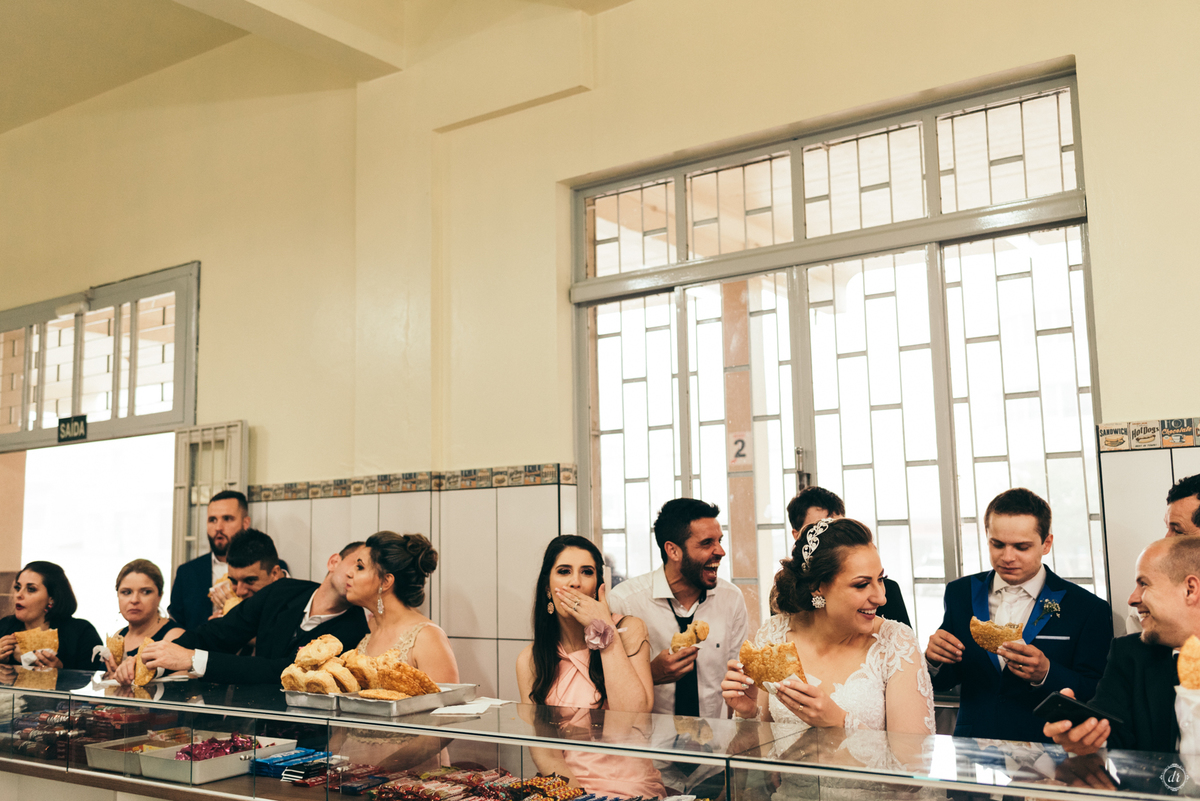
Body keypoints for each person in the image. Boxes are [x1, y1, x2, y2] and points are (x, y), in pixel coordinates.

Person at [925, 488, 1112, 741]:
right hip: (973, 747)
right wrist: (934, 661)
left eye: (1021, 547)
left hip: (1048, 751)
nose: (1007, 557)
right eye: (997, 544)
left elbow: (1097, 691)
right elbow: (946, 679)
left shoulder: (1087, 608)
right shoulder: (959, 593)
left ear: (1046, 544)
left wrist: (1047, 672)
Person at [723, 518, 934, 734]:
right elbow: (761, 755)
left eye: (880, 579)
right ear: (817, 587)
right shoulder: (773, 635)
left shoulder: (896, 644)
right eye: (861, 585)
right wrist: (747, 715)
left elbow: (913, 760)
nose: (881, 599)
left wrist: (841, 722)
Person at [517, 535, 662, 797]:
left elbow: (632, 717)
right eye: (564, 572)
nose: (575, 582)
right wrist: (580, 796)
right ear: (548, 588)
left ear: (598, 586)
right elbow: (545, 752)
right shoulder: (531, 659)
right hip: (567, 786)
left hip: (630, 786)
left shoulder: (629, 630)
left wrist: (603, 630)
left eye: (587, 572)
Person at [1044, 535, 1200, 754]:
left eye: (1143, 584)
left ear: (1190, 589)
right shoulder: (1128, 655)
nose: (1132, 599)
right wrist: (1084, 739)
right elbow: (1112, 734)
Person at [135, 542, 368, 684]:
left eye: (366, 572)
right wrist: (152, 661)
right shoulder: (283, 591)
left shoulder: (356, 628)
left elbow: (283, 670)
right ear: (333, 561)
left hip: (307, 739)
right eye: (357, 564)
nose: (356, 575)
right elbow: (219, 633)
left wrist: (193, 659)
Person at [607, 498, 749, 719]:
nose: (720, 551)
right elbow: (605, 688)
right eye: (707, 543)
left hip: (717, 744)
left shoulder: (731, 599)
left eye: (720, 541)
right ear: (673, 551)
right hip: (648, 746)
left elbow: (739, 677)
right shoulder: (625, 602)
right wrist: (651, 673)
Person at [786, 486, 910, 626]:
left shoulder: (888, 592)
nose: (832, 537)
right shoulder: (786, 594)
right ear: (797, 536)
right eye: (820, 529)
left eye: (838, 527)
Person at [345, 532, 458, 683]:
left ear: (385, 581)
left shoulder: (427, 637)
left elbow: (447, 704)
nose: (348, 573)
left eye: (360, 567)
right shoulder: (369, 627)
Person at [168, 489, 249, 630]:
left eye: (227, 519)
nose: (218, 527)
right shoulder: (187, 573)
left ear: (245, 523)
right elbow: (176, 626)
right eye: (212, 520)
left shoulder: (266, 569)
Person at [0, 561, 102, 671]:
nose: (19, 594)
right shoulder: (4, 626)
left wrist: (61, 672)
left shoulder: (82, 632)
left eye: (31, 589)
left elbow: (94, 681)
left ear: (51, 598)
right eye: (17, 587)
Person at [106, 559, 184, 670]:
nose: (134, 600)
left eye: (145, 592)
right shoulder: (119, 636)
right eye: (126, 592)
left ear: (159, 596)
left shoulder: (174, 637)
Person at [224, 529, 286, 601]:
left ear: (275, 573)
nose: (239, 592)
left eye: (249, 580)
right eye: (234, 581)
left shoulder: (300, 603)